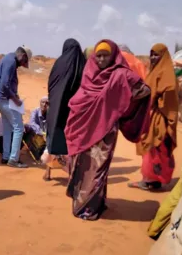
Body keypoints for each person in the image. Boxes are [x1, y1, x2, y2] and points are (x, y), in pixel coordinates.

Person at [65, 40, 151, 221]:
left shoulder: (121, 75)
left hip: (104, 132)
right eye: (99, 55)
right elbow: (81, 98)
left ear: (114, 56)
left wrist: (120, 105)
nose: (102, 59)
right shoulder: (89, 72)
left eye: (106, 55)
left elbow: (144, 91)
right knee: (83, 166)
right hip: (83, 129)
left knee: (97, 169)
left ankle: (90, 207)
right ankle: (83, 204)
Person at [129, 43, 179, 190]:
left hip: (158, 118)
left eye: (156, 54)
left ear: (164, 56)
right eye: (152, 54)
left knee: (155, 148)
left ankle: (150, 181)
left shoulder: (166, 74)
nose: (153, 57)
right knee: (152, 149)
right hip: (150, 116)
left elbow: (168, 98)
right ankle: (152, 180)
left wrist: (152, 103)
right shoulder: (154, 72)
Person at [44, 38, 85, 181]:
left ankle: (48, 172)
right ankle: (71, 174)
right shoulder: (82, 65)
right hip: (72, 112)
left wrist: (54, 101)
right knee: (71, 143)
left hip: (54, 110)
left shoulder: (58, 63)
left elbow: (51, 84)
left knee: (52, 139)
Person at [0, 46, 32, 168]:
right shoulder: (11, 62)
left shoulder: (9, 59)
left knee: (8, 127)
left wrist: (14, 95)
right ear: (23, 56)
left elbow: (7, 83)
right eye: (24, 62)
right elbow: (5, 84)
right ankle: (13, 159)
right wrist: (15, 99)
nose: (22, 65)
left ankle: (6, 156)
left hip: (0, 99)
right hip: (4, 99)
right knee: (19, 127)